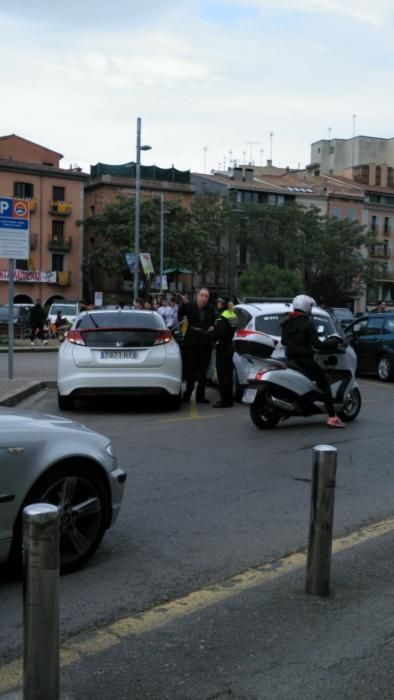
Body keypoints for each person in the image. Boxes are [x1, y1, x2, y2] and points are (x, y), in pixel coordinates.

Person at [281, 294, 345, 428]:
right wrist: (332, 343)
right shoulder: (307, 323)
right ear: (306, 307)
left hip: (290, 359)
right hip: (305, 360)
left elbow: (283, 341)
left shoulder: (286, 322)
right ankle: (332, 417)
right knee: (325, 384)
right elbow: (317, 345)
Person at [178, 288, 216, 403]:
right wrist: (183, 303)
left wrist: (213, 327)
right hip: (192, 343)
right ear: (197, 296)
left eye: (206, 296)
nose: (204, 298)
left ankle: (200, 395)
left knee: (203, 371)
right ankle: (188, 393)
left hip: (205, 343)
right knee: (191, 371)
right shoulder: (190, 306)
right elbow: (180, 313)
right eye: (202, 295)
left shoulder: (210, 309)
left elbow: (215, 322)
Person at [212, 297, 238, 408]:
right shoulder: (232, 314)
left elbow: (220, 332)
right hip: (230, 347)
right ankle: (229, 400)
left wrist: (212, 332)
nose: (217, 303)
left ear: (223, 304)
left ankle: (224, 400)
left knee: (223, 375)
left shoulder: (222, 316)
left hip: (222, 347)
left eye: (219, 302)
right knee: (228, 374)